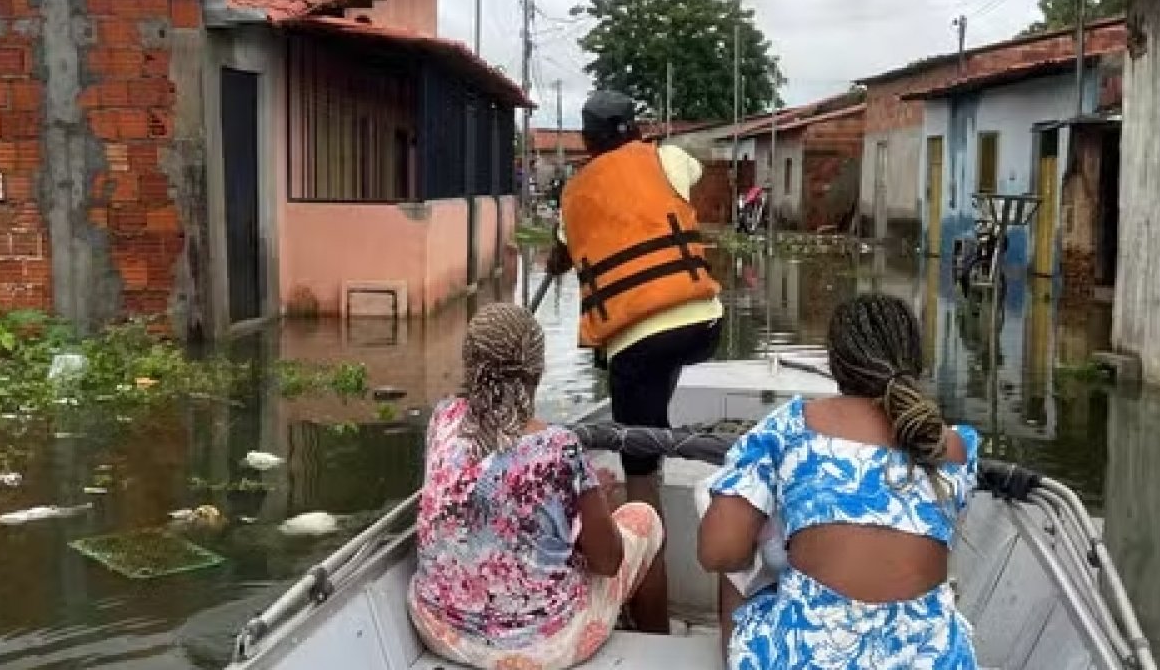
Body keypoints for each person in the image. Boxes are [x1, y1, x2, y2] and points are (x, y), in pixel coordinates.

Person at [698, 294, 981, 669]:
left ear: (834, 364)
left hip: (810, 658)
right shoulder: (952, 445)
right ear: (915, 361)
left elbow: (718, 552)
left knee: (737, 561)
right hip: (930, 659)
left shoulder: (790, 427)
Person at [545, 90, 723, 632]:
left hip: (637, 346)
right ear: (637, 128)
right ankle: (658, 439)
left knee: (640, 485)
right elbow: (699, 169)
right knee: (655, 385)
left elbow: (560, 253)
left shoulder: (573, 197)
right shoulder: (667, 159)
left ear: (585, 141)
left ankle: (654, 630)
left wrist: (560, 255)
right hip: (705, 323)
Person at [408, 303, 666, 670]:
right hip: (535, 648)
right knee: (645, 518)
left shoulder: (444, 418)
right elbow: (607, 561)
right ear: (537, 372)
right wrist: (597, 504)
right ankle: (659, 648)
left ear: (469, 363)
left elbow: (487, 497)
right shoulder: (559, 449)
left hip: (437, 628)